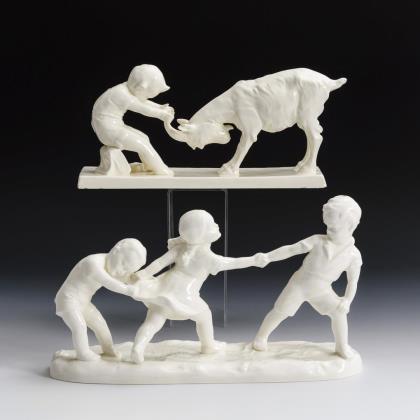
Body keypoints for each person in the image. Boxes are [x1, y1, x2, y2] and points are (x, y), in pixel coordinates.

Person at [130, 210, 269, 364]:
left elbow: (158, 263)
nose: (216, 225)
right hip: (184, 292)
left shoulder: (180, 248)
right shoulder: (208, 258)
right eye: (212, 224)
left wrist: (144, 273)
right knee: (204, 316)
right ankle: (208, 346)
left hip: (164, 285)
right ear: (204, 233)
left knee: (154, 319)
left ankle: (138, 347)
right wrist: (253, 260)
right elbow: (234, 263)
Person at [252, 195, 362, 359]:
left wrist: (347, 300)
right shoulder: (317, 241)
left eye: (334, 228)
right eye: (328, 227)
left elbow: (352, 281)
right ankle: (261, 337)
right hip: (299, 284)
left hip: (322, 290)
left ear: (350, 226)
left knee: (339, 313)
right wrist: (268, 257)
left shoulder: (353, 255)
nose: (329, 230)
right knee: (280, 311)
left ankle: (341, 347)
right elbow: (291, 249)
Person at [55, 239, 146, 361]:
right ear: (116, 250)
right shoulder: (93, 263)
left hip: (83, 303)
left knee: (100, 324)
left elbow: (123, 278)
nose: (121, 271)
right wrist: (128, 290)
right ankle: (83, 353)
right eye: (123, 264)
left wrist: (136, 280)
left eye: (127, 269)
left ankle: (108, 350)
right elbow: (109, 282)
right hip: (68, 299)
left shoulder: (111, 266)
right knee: (79, 326)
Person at [92, 64, 175, 175]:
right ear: (141, 87)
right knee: (143, 145)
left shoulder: (125, 89)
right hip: (109, 131)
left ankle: (149, 166)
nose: (147, 97)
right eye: (148, 94)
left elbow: (141, 101)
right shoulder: (122, 94)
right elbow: (142, 108)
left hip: (111, 127)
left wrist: (159, 107)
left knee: (144, 138)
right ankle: (161, 170)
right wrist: (162, 115)